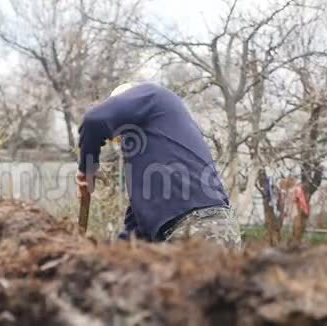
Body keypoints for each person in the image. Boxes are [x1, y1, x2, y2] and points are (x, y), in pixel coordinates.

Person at [76, 82, 241, 249]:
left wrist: (86, 171)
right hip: (211, 228)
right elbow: (135, 232)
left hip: (199, 228)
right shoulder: (155, 152)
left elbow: (93, 121)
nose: (122, 139)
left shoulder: (152, 94)